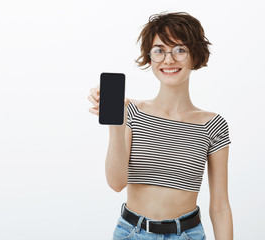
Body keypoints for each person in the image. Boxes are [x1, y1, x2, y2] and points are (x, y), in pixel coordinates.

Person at [88, 12, 233, 240]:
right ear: (150, 57)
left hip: (187, 235)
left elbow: (220, 206)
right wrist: (116, 125)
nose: (168, 59)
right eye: (159, 50)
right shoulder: (132, 111)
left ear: (195, 55)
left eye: (180, 50)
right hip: (131, 233)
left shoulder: (212, 125)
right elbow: (116, 183)